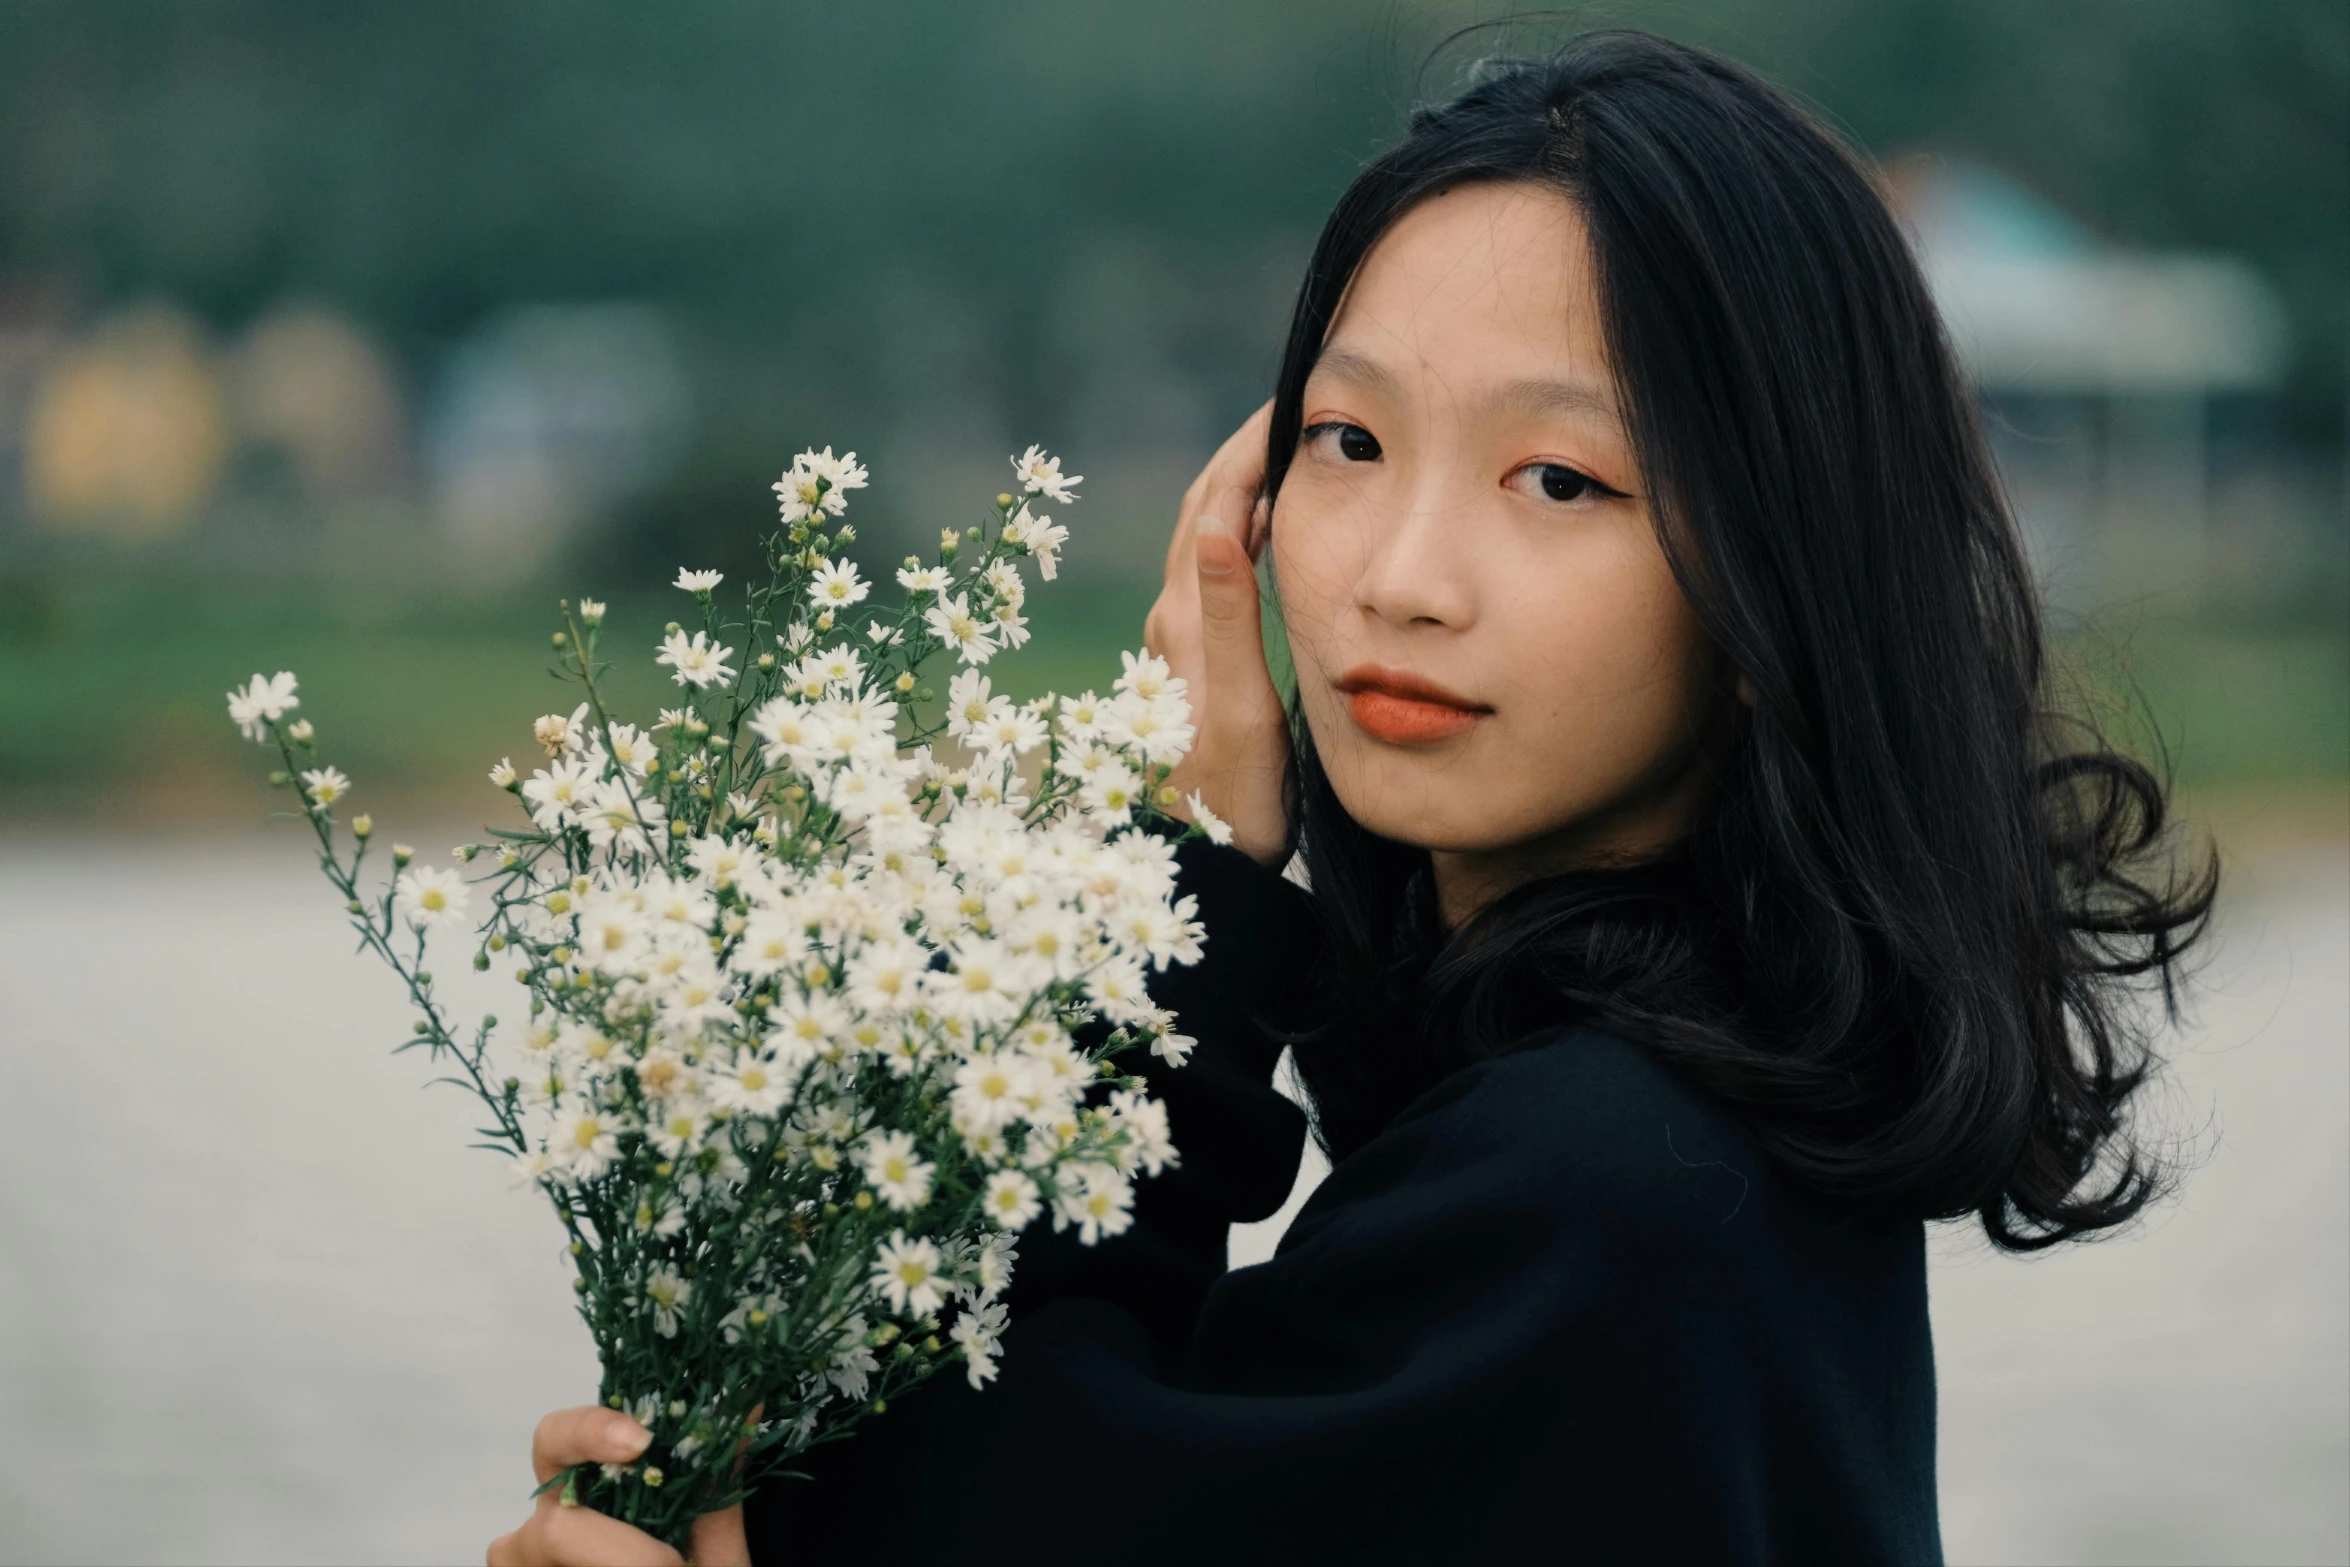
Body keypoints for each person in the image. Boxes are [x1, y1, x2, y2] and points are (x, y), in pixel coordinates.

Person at [488, 29, 2212, 1566]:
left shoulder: (1604, 1196)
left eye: (1558, 478)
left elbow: (969, 1505)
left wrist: (1176, 887)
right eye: (1350, 442)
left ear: (1778, 583)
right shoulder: (1631, 1131)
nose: (1400, 574)